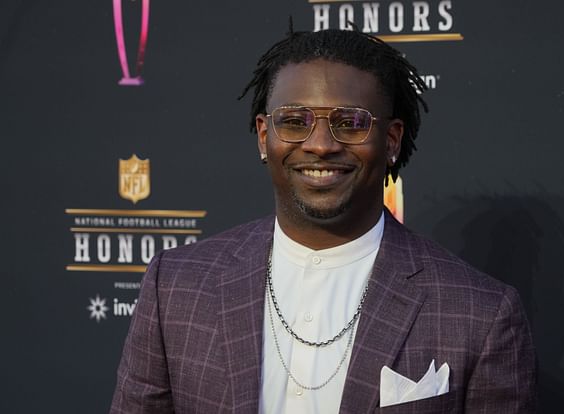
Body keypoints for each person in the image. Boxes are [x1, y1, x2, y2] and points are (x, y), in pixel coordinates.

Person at [110, 27, 537, 414]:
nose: (319, 145)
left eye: (349, 123)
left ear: (391, 141)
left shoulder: (480, 314)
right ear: (264, 136)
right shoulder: (176, 287)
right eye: (294, 121)